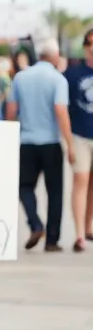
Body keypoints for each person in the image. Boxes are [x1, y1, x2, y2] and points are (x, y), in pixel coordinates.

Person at [7, 37, 74, 253]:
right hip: (51, 143)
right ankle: (52, 240)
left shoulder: (20, 77)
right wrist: (70, 144)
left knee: (24, 186)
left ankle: (35, 223)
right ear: (54, 57)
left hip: (26, 141)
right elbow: (60, 111)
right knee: (55, 192)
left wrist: (9, 135)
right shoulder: (58, 79)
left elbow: (11, 110)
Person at [64, 28, 93, 252]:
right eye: (90, 43)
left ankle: (88, 225)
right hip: (79, 135)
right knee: (81, 181)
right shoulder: (72, 74)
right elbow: (63, 107)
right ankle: (79, 235)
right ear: (85, 47)